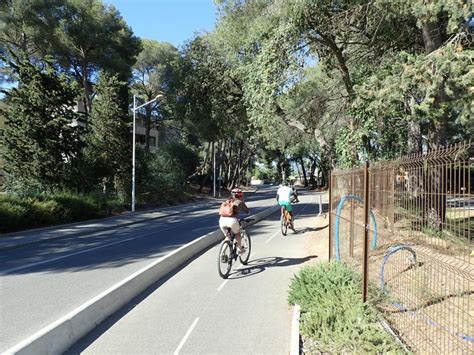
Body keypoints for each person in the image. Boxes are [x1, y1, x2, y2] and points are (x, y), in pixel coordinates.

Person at [218, 188, 250, 253]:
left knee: (228, 237)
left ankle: (222, 253)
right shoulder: (239, 202)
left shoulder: (226, 201)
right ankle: (240, 249)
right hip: (232, 221)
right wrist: (247, 211)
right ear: (240, 195)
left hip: (222, 220)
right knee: (238, 234)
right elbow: (247, 211)